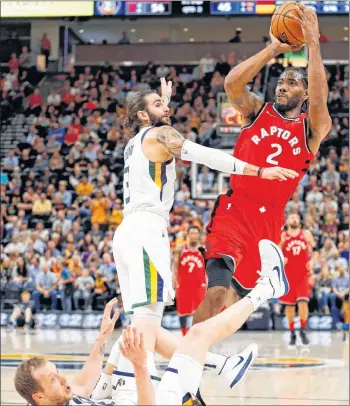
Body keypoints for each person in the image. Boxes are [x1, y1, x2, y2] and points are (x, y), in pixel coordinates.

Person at [111, 78, 297, 402]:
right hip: (146, 230)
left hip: (126, 232)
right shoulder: (159, 135)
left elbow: (152, 123)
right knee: (146, 325)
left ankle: (220, 365)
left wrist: (160, 102)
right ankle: (134, 393)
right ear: (143, 116)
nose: (165, 108)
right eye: (158, 105)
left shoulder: (134, 143)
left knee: (146, 326)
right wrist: (257, 170)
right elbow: (203, 155)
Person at [193, 4, 331, 326]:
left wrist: (312, 44)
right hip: (235, 209)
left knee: (232, 302)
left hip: (269, 224)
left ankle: (199, 355)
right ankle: (188, 363)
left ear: (305, 93)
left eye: (292, 83)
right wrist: (273, 49)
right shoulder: (258, 111)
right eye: (281, 81)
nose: (282, 85)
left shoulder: (310, 131)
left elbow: (321, 102)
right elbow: (232, 86)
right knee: (215, 293)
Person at [119, 240, 289, 405]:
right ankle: (266, 289)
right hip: (145, 396)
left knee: (144, 326)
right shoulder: (182, 250)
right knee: (197, 333)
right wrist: (140, 367)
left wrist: (101, 351)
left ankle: (222, 364)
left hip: (123, 392)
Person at [14, 299, 120, 405]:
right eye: (53, 379)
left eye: (58, 373)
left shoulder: (57, 398)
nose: (64, 378)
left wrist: (102, 339)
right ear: (39, 397)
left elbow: (83, 385)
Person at [279, 213, 317, 347]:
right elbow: (277, 251)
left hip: (303, 273)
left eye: (296, 217)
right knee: (289, 306)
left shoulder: (306, 234)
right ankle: (292, 332)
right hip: (288, 274)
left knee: (303, 302)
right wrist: (281, 259)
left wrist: (312, 262)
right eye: (291, 217)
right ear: (287, 220)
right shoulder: (283, 236)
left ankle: (302, 329)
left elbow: (316, 249)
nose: (294, 219)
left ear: (300, 220)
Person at [172, 226, 207, 336]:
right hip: (183, 284)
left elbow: (208, 268)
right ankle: (184, 334)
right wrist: (174, 279)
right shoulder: (181, 248)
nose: (193, 235)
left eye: (195, 233)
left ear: (199, 236)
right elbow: (175, 266)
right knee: (182, 311)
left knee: (199, 311)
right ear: (188, 235)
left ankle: (197, 335)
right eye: (191, 233)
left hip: (199, 285)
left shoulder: (204, 249)